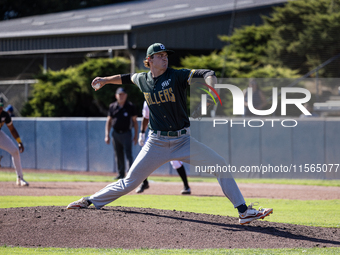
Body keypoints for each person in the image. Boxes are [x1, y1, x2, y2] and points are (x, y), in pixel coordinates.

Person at [67, 43, 273, 225]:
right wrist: (104, 79)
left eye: (166, 55)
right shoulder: (142, 79)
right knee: (130, 181)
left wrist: (211, 91)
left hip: (183, 140)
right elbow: (125, 78)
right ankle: (89, 200)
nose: (165, 58)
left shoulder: (176, 75)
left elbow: (208, 73)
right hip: (156, 143)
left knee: (219, 164)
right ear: (149, 60)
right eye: (160, 55)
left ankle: (244, 212)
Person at [136, 101, 191, 194]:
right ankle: (144, 182)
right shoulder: (147, 99)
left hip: (170, 134)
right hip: (154, 135)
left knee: (175, 161)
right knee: (144, 158)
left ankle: (186, 186)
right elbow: (146, 117)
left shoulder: (166, 97)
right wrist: (141, 133)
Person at [105, 87, 138, 179]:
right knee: (118, 154)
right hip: (115, 133)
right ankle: (121, 174)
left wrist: (136, 135)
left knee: (128, 154)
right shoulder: (112, 106)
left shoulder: (130, 106)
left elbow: (135, 122)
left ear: (126, 95)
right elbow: (109, 121)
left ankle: (131, 174)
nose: (121, 96)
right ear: (116, 96)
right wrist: (107, 135)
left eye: (123, 94)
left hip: (126, 133)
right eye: (119, 95)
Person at [0, 99, 28, 186]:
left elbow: (11, 129)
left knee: (15, 151)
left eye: (1, 107)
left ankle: (20, 178)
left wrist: (19, 142)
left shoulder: (5, 115)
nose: (0, 109)